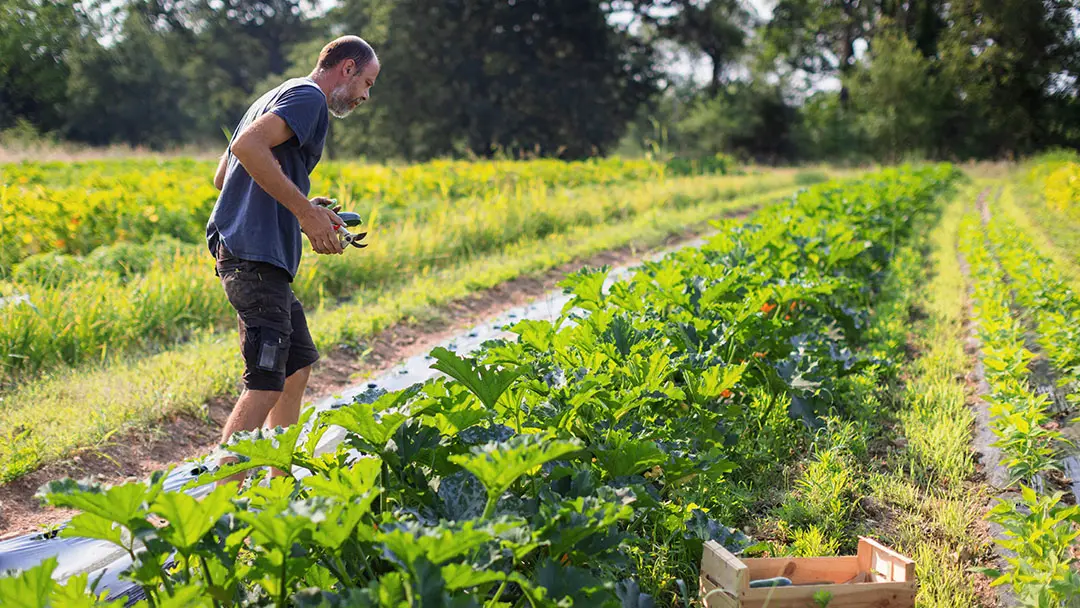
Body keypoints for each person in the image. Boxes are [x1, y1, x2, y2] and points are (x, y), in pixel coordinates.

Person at [206, 36, 380, 486]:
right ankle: (216, 513)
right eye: (366, 82)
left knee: (295, 364)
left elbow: (223, 176)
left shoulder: (275, 95)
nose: (365, 96)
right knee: (264, 381)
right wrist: (303, 212)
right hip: (254, 258)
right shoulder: (309, 98)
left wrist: (306, 202)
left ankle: (276, 485)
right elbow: (247, 150)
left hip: (255, 257)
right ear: (345, 68)